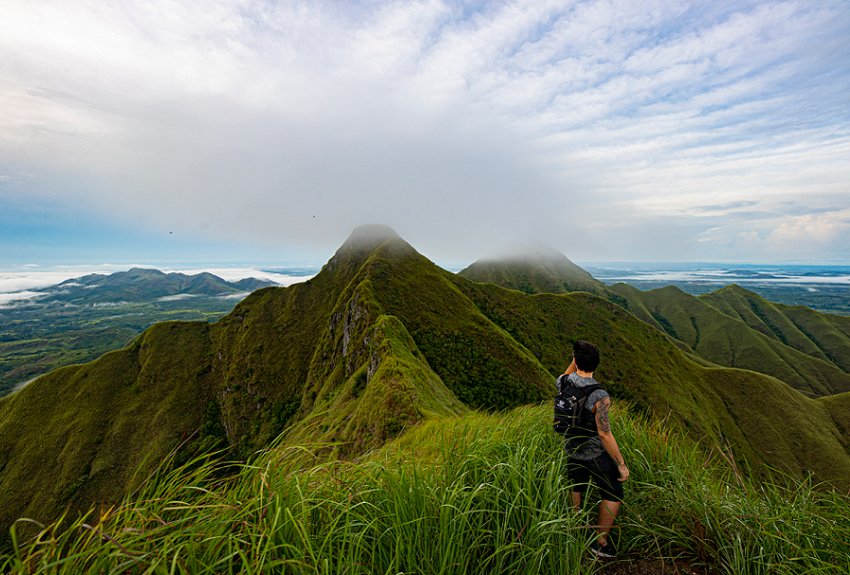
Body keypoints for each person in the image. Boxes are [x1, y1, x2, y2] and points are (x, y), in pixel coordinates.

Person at [560, 340, 629, 559]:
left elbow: (567, 373)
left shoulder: (563, 383)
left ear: (575, 360)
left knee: (577, 485)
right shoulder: (599, 395)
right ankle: (600, 542)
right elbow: (604, 434)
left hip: (571, 447)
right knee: (613, 493)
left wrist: (574, 358)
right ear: (597, 364)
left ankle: (574, 527)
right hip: (594, 454)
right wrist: (621, 464)